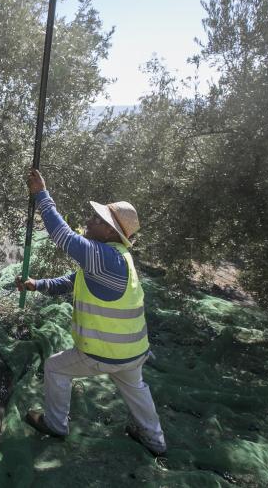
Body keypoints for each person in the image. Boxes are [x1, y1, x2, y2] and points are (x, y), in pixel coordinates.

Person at [16, 168, 167, 456]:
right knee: (137, 390)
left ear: (111, 231)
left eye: (96, 219)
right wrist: (37, 285)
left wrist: (41, 195)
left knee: (55, 368)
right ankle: (155, 440)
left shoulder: (104, 256)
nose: (88, 220)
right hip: (134, 352)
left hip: (103, 353)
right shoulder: (118, 259)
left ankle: (56, 425)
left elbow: (62, 236)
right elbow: (73, 282)